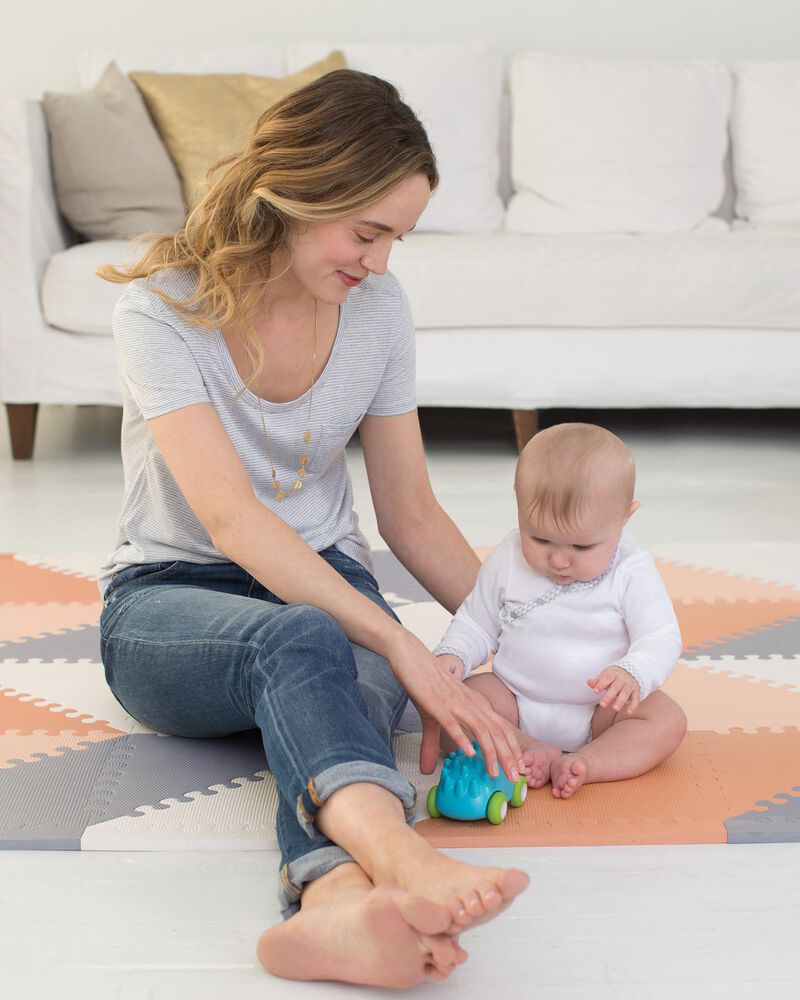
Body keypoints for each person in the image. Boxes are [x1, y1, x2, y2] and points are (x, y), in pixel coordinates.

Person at [96, 69, 529, 989]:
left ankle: (330, 907)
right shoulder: (160, 310)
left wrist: (532, 645)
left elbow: (409, 512)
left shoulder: (377, 311)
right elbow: (231, 518)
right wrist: (406, 647)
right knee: (320, 642)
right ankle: (405, 861)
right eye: (366, 233)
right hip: (170, 602)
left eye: (396, 240)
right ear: (294, 193)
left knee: (351, 664)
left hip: (328, 582)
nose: (378, 264)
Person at [434, 422, 687, 799]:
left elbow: (661, 636)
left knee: (667, 720)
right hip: (514, 700)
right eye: (539, 538)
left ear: (624, 518)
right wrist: (454, 653)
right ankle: (524, 745)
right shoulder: (508, 557)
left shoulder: (631, 569)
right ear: (518, 500)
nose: (557, 560)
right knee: (457, 709)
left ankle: (591, 762)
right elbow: (476, 621)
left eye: (582, 547)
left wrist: (633, 671)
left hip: (601, 712)